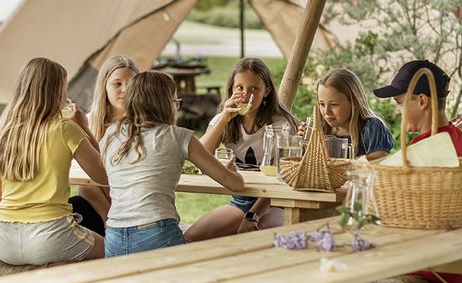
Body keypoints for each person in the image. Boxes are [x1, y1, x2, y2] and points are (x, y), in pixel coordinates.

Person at [101, 71, 244, 256]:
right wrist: (234, 171)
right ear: (166, 104)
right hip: (158, 232)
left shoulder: (110, 134)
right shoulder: (178, 136)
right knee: (232, 224)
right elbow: (235, 184)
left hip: (114, 237)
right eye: (175, 102)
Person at [0, 58, 108, 265]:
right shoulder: (64, 129)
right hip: (51, 235)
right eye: (64, 88)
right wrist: (84, 128)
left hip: (4, 240)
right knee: (115, 250)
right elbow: (104, 176)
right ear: (55, 92)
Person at [374, 59, 462, 283]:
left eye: (399, 102)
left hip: (433, 262)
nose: (397, 111)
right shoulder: (459, 139)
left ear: (422, 101)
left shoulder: (427, 149)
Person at [186, 58, 297, 241]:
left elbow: (282, 180)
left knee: (259, 231)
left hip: (276, 201)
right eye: (240, 88)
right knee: (191, 238)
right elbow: (199, 157)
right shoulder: (224, 120)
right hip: (241, 202)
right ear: (231, 89)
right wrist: (223, 120)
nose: (246, 95)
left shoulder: (280, 125)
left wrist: (252, 216)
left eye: (254, 88)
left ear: (267, 91)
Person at [78, 55, 139, 224]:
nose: (125, 90)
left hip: (135, 204)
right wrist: (109, 218)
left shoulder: (144, 124)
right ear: (104, 86)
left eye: (131, 84)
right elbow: (85, 183)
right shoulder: (88, 122)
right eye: (117, 84)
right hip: (101, 208)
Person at [302, 68, 394, 160]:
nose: (326, 111)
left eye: (334, 104)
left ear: (354, 102)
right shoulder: (321, 128)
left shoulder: (371, 127)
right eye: (322, 104)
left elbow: (380, 160)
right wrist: (307, 143)